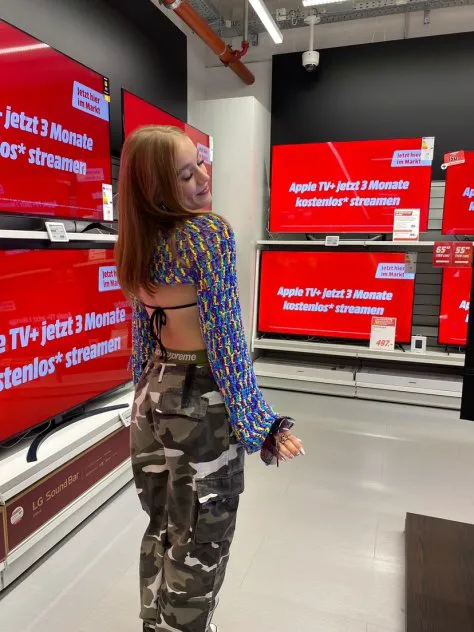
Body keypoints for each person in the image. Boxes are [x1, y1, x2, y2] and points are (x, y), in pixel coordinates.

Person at [115, 125, 305, 632]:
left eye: (199, 163)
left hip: (152, 397)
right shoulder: (207, 235)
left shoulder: (135, 239)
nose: (203, 177)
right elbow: (225, 338)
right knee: (202, 536)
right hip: (201, 404)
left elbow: (142, 335)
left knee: (162, 523)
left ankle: (157, 623)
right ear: (157, 188)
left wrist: (142, 395)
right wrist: (261, 423)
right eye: (185, 174)